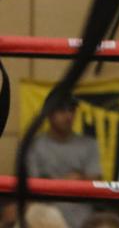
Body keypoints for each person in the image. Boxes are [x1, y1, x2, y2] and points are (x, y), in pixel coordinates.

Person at [26, 93, 100, 228]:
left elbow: (95, 184)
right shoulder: (33, 145)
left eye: (71, 110)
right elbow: (32, 188)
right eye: (61, 110)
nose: (68, 116)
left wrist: (49, 183)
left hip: (82, 220)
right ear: (48, 114)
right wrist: (69, 181)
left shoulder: (89, 144)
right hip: (44, 219)